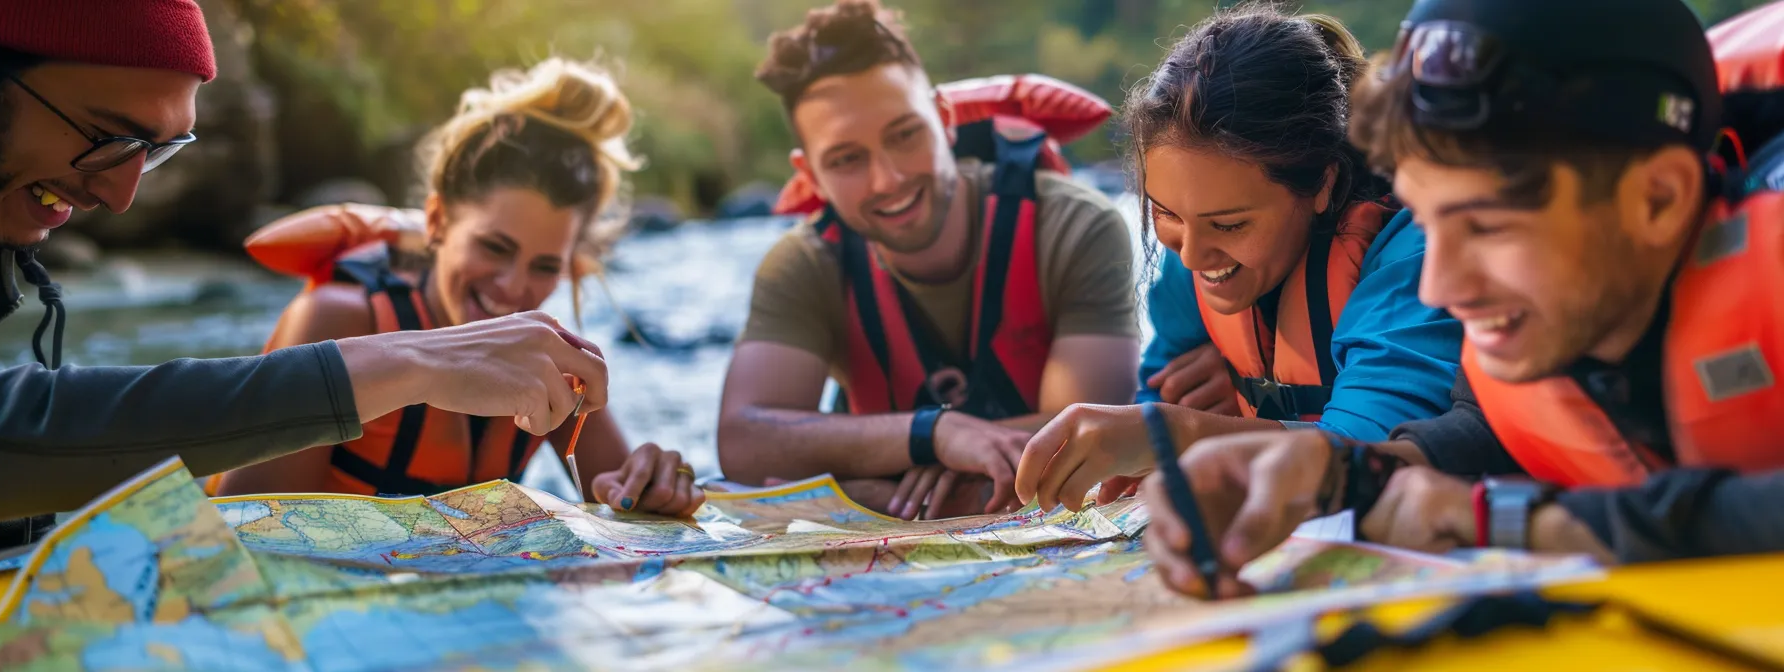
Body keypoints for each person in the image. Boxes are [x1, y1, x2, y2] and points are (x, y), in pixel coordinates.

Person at [1139, 0, 1784, 599]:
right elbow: (1485, 429)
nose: (1439, 286)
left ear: (1658, 200)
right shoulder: (1542, 314)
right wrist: (1336, 470)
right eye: (1426, 219)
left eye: (1488, 227)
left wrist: (1513, 521)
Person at [0, 1, 610, 549]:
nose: (124, 196)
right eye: (107, 136)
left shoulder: (533, 345)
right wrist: (414, 362)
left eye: (157, 150)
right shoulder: (352, 311)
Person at [205, 58, 703, 517]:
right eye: (494, 248)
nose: (512, 289)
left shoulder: (549, 358)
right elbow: (246, 529)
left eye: (545, 265)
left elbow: (620, 500)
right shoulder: (338, 322)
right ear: (438, 220)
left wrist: (655, 480)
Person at [1014, 7, 1463, 513]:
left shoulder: (1413, 258)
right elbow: (1153, 401)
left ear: (1323, 183)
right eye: (1165, 213)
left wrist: (1180, 434)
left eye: (1230, 225)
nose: (1192, 255)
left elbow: (1372, 458)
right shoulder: (1197, 257)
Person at [717, 0, 1142, 520]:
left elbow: (1086, 439)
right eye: (847, 159)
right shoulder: (804, 264)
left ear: (945, 121)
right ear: (811, 174)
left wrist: (866, 480)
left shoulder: (1076, 227)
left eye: (905, 135)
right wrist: (934, 433)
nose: (889, 179)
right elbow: (743, 443)